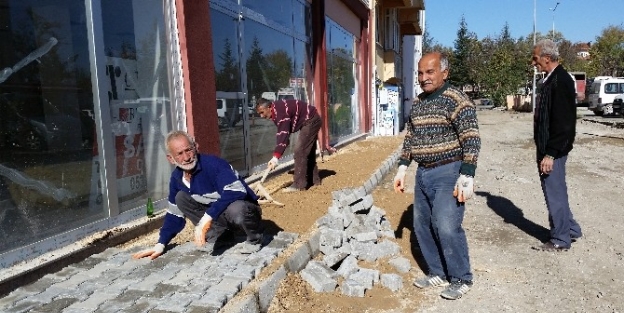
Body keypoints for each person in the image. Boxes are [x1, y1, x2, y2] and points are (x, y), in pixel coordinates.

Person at [393, 52, 481, 300]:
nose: (424, 78)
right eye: (420, 73)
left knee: (446, 225)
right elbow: (410, 137)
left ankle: (461, 277)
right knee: (422, 225)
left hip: (448, 171)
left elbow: (471, 138)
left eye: (430, 72)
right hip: (424, 172)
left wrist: (467, 174)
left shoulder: (457, 100)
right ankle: (438, 272)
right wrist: (402, 168)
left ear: (445, 73)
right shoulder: (419, 103)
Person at [133, 130, 263, 260]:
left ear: (196, 147)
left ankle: (254, 240)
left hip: (245, 211)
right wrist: (160, 244)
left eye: (188, 150)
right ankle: (221, 237)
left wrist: (207, 217)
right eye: (179, 154)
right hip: (221, 216)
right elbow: (174, 215)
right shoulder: (177, 178)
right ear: (171, 159)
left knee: (237, 208)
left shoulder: (213, 165)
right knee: (181, 198)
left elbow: (237, 191)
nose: (186, 157)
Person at [531, 39, 582, 252]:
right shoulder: (552, 79)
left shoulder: (560, 81)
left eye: (535, 58)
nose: (533, 62)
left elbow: (563, 123)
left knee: (555, 194)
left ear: (547, 58)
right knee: (557, 191)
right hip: (549, 148)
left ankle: (561, 239)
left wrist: (550, 154)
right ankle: (571, 229)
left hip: (554, 150)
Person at [255, 97, 322, 192]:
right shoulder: (276, 111)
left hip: (311, 120)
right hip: (312, 119)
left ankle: (299, 185)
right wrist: (279, 151)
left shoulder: (280, 112)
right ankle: (314, 180)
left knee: (300, 151)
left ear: (269, 107)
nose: (261, 116)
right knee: (307, 152)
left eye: (262, 112)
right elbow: (284, 135)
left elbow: (283, 134)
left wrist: (275, 157)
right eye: (259, 114)